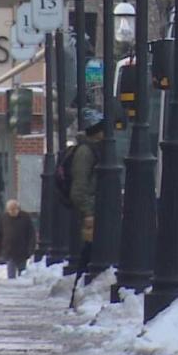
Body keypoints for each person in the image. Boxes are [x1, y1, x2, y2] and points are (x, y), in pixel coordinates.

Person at [70, 107, 105, 259]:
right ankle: (81, 278)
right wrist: (88, 212)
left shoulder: (94, 149)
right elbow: (79, 186)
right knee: (88, 251)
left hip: (93, 207)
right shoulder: (85, 152)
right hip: (89, 210)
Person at [0, 199, 35, 279]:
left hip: (22, 250)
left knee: (22, 273)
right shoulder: (4, 218)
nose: (12, 212)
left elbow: (31, 234)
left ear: (18, 209)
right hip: (9, 250)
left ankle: (21, 287)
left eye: (14, 209)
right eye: (10, 210)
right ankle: (11, 286)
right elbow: (0, 234)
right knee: (11, 274)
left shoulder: (25, 217)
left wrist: (30, 249)